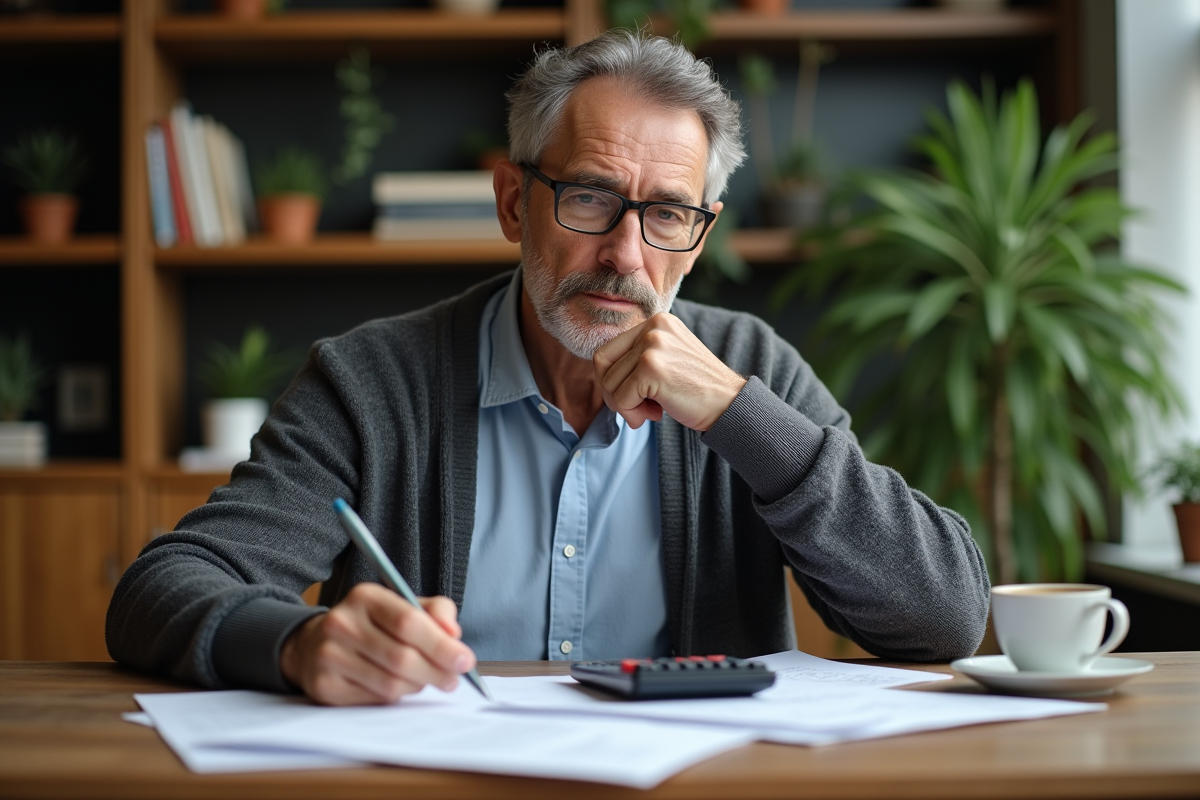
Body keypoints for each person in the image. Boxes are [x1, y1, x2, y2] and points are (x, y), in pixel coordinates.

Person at [107, 30, 989, 706]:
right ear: (512, 202)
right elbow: (162, 587)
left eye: (668, 215)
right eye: (591, 198)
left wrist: (734, 413)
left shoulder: (752, 368)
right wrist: (295, 644)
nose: (625, 256)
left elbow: (944, 615)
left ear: (702, 233)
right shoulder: (372, 379)